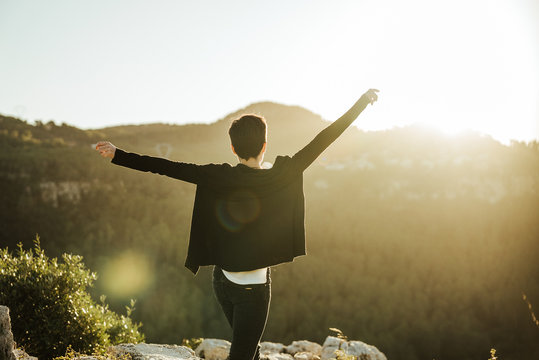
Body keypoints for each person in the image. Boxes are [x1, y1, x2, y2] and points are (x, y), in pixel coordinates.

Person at [95, 88, 379, 360]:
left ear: (232, 147)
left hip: (221, 280)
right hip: (253, 292)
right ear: (265, 146)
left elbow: (166, 166)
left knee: (248, 350)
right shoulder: (282, 174)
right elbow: (325, 137)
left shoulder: (219, 176)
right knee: (244, 353)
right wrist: (362, 102)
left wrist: (118, 155)